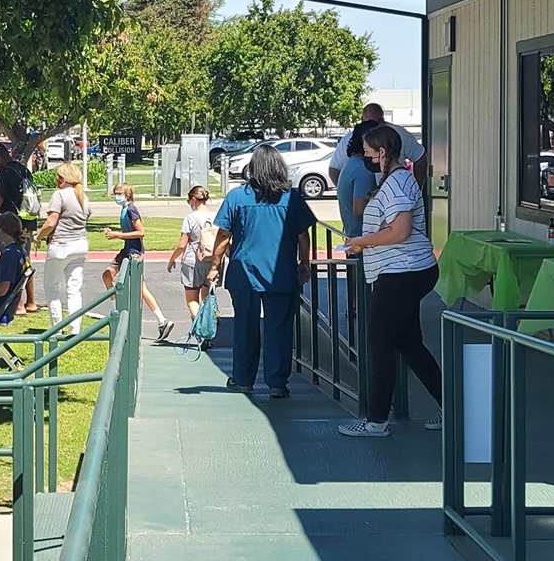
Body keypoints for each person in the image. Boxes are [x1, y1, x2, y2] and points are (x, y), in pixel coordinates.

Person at [338, 123, 444, 438]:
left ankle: (376, 421)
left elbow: (400, 231)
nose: (366, 159)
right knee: (408, 343)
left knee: (379, 344)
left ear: (382, 153)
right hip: (407, 271)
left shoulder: (397, 184)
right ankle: (451, 405)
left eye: (369, 154)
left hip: (402, 273)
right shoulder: (397, 180)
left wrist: (362, 241)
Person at [210, 145, 318, 398]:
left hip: (244, 271)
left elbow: (223, 234)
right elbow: (303, 235)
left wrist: (215, 265)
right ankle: (277, 382)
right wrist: (305, 264)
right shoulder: (291, 198)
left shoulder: (237, 197)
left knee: (244, 326)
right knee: (279, 327)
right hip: (280, 272)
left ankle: (243, 378)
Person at [103, 182, 171, 340]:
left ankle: (162, 320)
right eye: (115, 193)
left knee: (140, 288)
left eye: (119, 193)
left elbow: (141, 232)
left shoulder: (132, 209)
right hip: (126, 250)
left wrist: (117, 235)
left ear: (127, 194)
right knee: (107, 275)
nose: (116, 196)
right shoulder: (124, 209)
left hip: (134, 253)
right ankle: (117, 310)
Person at [36, 162, 93, 327]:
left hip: (61, 245)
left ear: (63, 179)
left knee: (51, 287)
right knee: (74, 290)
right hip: (80, 244)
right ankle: (75, 329)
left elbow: (50, 223)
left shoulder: (59, 195)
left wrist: (38, 237)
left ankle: (57, 327)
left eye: (58, 177)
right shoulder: (84, 197)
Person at [328, 101, 422, 192]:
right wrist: (346, 194)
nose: (372, 128)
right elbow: (334, 169)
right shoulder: (353, 139)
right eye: (365, 151)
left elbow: (420, 157)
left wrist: (418, 189)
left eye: (368, 151)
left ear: (381, 152)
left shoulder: (399, 134)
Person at [0, 142, 39, 310]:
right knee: (25, 262)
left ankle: (17, 304)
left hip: (11, 224)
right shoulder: (23, 169)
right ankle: (31, 301)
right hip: (27, 222)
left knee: (11, 264)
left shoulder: (5, 173)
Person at [167, 185, 215, 338]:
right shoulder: (217, 216)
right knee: (207, 298)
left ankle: (201, 330)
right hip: (212, 261)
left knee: (192, 299)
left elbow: (182, 244)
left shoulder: (190, 218)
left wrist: (172, 259)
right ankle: (209, 326)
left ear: (193, 199)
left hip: (193, 262)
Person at [333, 126, 380, 239]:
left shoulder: (351, 163)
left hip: (355, 237)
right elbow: (359, 210)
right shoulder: (362, 170)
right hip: (362, 240)